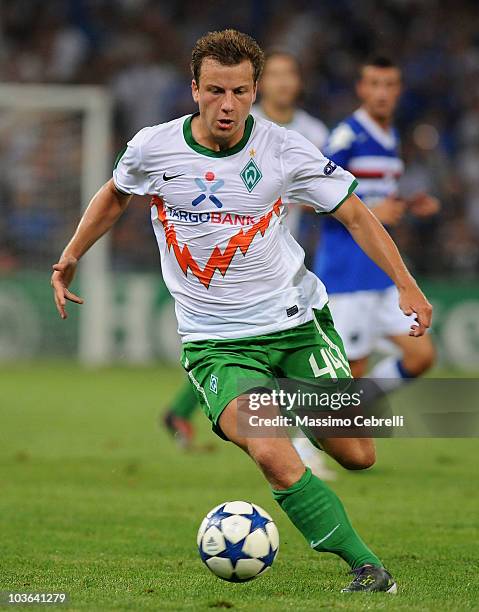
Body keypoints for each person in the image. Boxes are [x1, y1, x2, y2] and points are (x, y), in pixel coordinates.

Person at [51, 30, 433, 593]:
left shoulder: (285, 148)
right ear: (194, 89)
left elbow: (355, 215)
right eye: (213, 91)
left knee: (358, 454)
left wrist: (405, 283)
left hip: (296, 326)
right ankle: (368, 569)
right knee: (273, 456)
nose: (226, 105)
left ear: (254, 91)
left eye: (238, 91)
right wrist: (71, 254)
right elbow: (115, 194)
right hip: (216, 343)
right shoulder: (154, 147)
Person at [163, 49, 335, 480]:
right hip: (225, 262)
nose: (281, 83)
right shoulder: (236, 120)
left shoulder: (310, 131)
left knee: (252, 348)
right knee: (239, 348)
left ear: (295, 82)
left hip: (279, 254)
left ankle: (179, 412)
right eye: (274, 75)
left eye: (287, 74)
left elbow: (325, 193)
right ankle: (296, 444)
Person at [315, 56, 438, 386]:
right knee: (349, 374)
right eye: (374, 84)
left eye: (389, 85)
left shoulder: (390, 137)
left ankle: (357, 414)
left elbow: (373, 196)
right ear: (361, 89)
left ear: (399, 90)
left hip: (380, 273)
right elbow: (312, 193)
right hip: (348, 273)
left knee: (421, 355)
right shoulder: (347, 136)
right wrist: (372, 212)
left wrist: (407, 205)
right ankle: (305, 440)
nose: (382, 93)